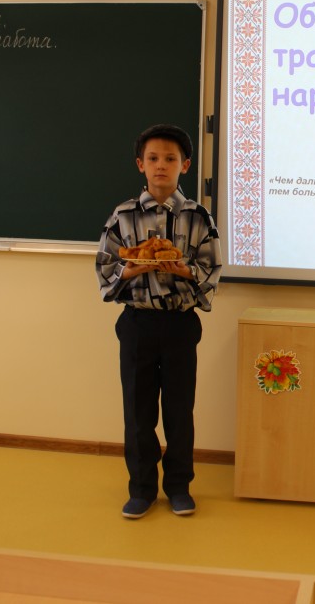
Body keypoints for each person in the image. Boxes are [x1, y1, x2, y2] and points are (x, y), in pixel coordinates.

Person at [95, 123, 222, 519]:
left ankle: (179, 487)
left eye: (170, 158)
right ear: (141, 164)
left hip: (180, 324)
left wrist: (185, 270)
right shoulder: (123, 215)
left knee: (180, 411)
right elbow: (105, 266)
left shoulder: (198, 216)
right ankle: (142, 489)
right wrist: (130, 269)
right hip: (138, 323)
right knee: (138, 412)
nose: (161, 165)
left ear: (185, 165)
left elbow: (212, 268)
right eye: (153, 158)